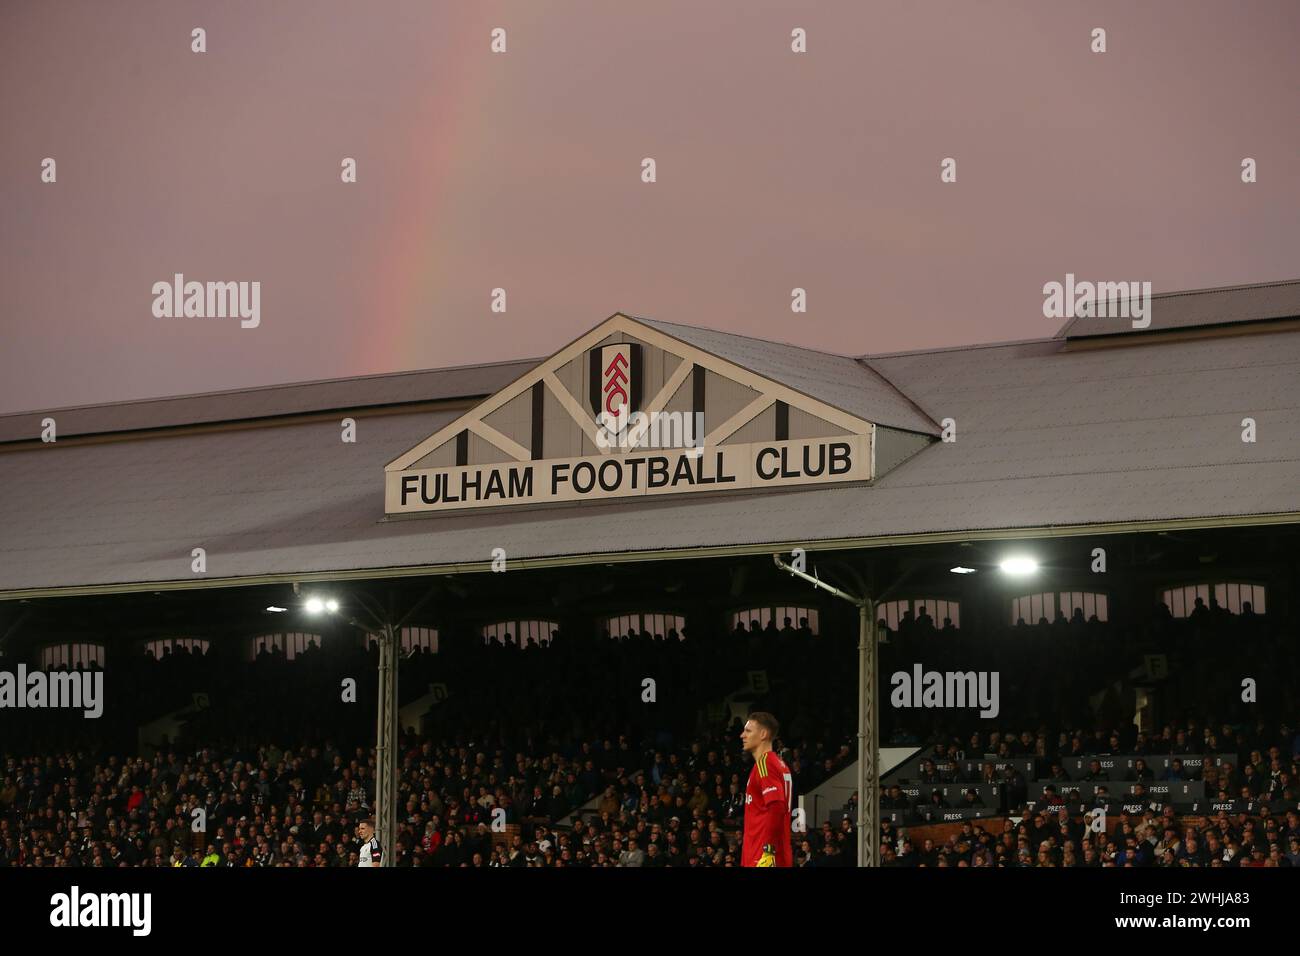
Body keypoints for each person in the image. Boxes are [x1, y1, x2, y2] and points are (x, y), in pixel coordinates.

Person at [739, 712, 793, 867]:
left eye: (748, 731)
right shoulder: (780, 764)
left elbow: (776, 807)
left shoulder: (765, 764)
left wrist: (768, 851)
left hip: (762, 858)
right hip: (778, 854)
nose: (742, 735)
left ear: (763, 734)